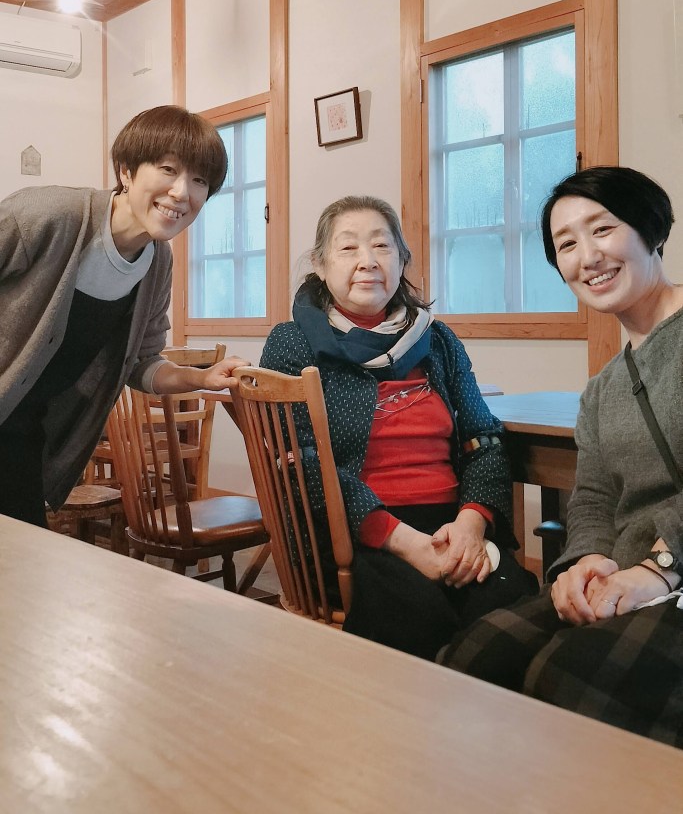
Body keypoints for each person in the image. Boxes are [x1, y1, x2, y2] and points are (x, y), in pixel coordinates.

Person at [439, 166, 683, 747]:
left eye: (603, 229)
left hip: (667, 573)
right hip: (631, 574)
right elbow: (593, 496)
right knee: (475, 655)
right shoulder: (602, 389)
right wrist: (585, 562)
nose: (588, 257)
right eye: (566, 244)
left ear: (650, 229)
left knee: (567, 676)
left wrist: (658, 568)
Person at [260, 195, 537, 659]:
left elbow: (484, 438)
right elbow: (301, 463)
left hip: (450, 523)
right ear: (320, 265)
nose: (367, 261)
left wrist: (470, 524)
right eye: (348, 248)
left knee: (513, 613)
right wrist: (407, 544)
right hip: (356, 532)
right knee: (420, 623)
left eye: (382, 246)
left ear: (402, 260)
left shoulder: (437, 340)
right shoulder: (292, 343)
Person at [0, 104, 246, 529]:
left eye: (200, 180)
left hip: (21, 432)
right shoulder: (49, 215)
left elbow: (142, 363)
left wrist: (202, 378)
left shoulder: (157, 264)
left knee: (21, 557)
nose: (181, 192)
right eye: (168, 169)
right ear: (126, 171)